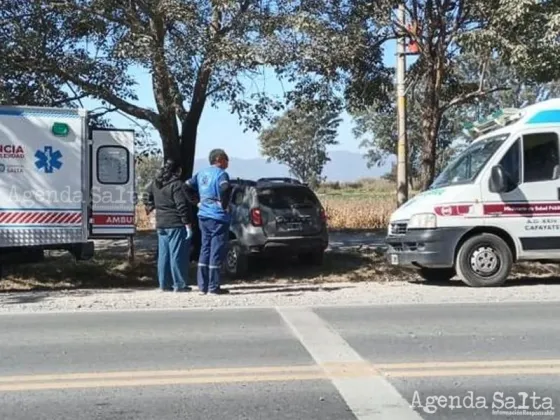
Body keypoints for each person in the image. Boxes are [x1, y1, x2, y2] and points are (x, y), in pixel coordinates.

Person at [184, 148, 231, 295]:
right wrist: (224, 205)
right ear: (218, 159)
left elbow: (185, 186)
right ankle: (213, 286)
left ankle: (202, 286)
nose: (227, 162)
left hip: (203, 215)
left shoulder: (201, 173)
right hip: (217, 217)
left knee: (205, 248)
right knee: (216, 249)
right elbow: (225, 188)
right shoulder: (221, 174)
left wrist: (196, 202)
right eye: (226, 159)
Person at [143, 159, 193, 292]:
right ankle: (180, 284)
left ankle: (164, 284)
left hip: (161, 223)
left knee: (163, 255)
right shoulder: (177, 185)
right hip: (175, 223)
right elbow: (181, 205)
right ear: (178, 170)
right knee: (177, 254)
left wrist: (150, 207)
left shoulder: (156, 183)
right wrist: (187, 222)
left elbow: (146, 194)